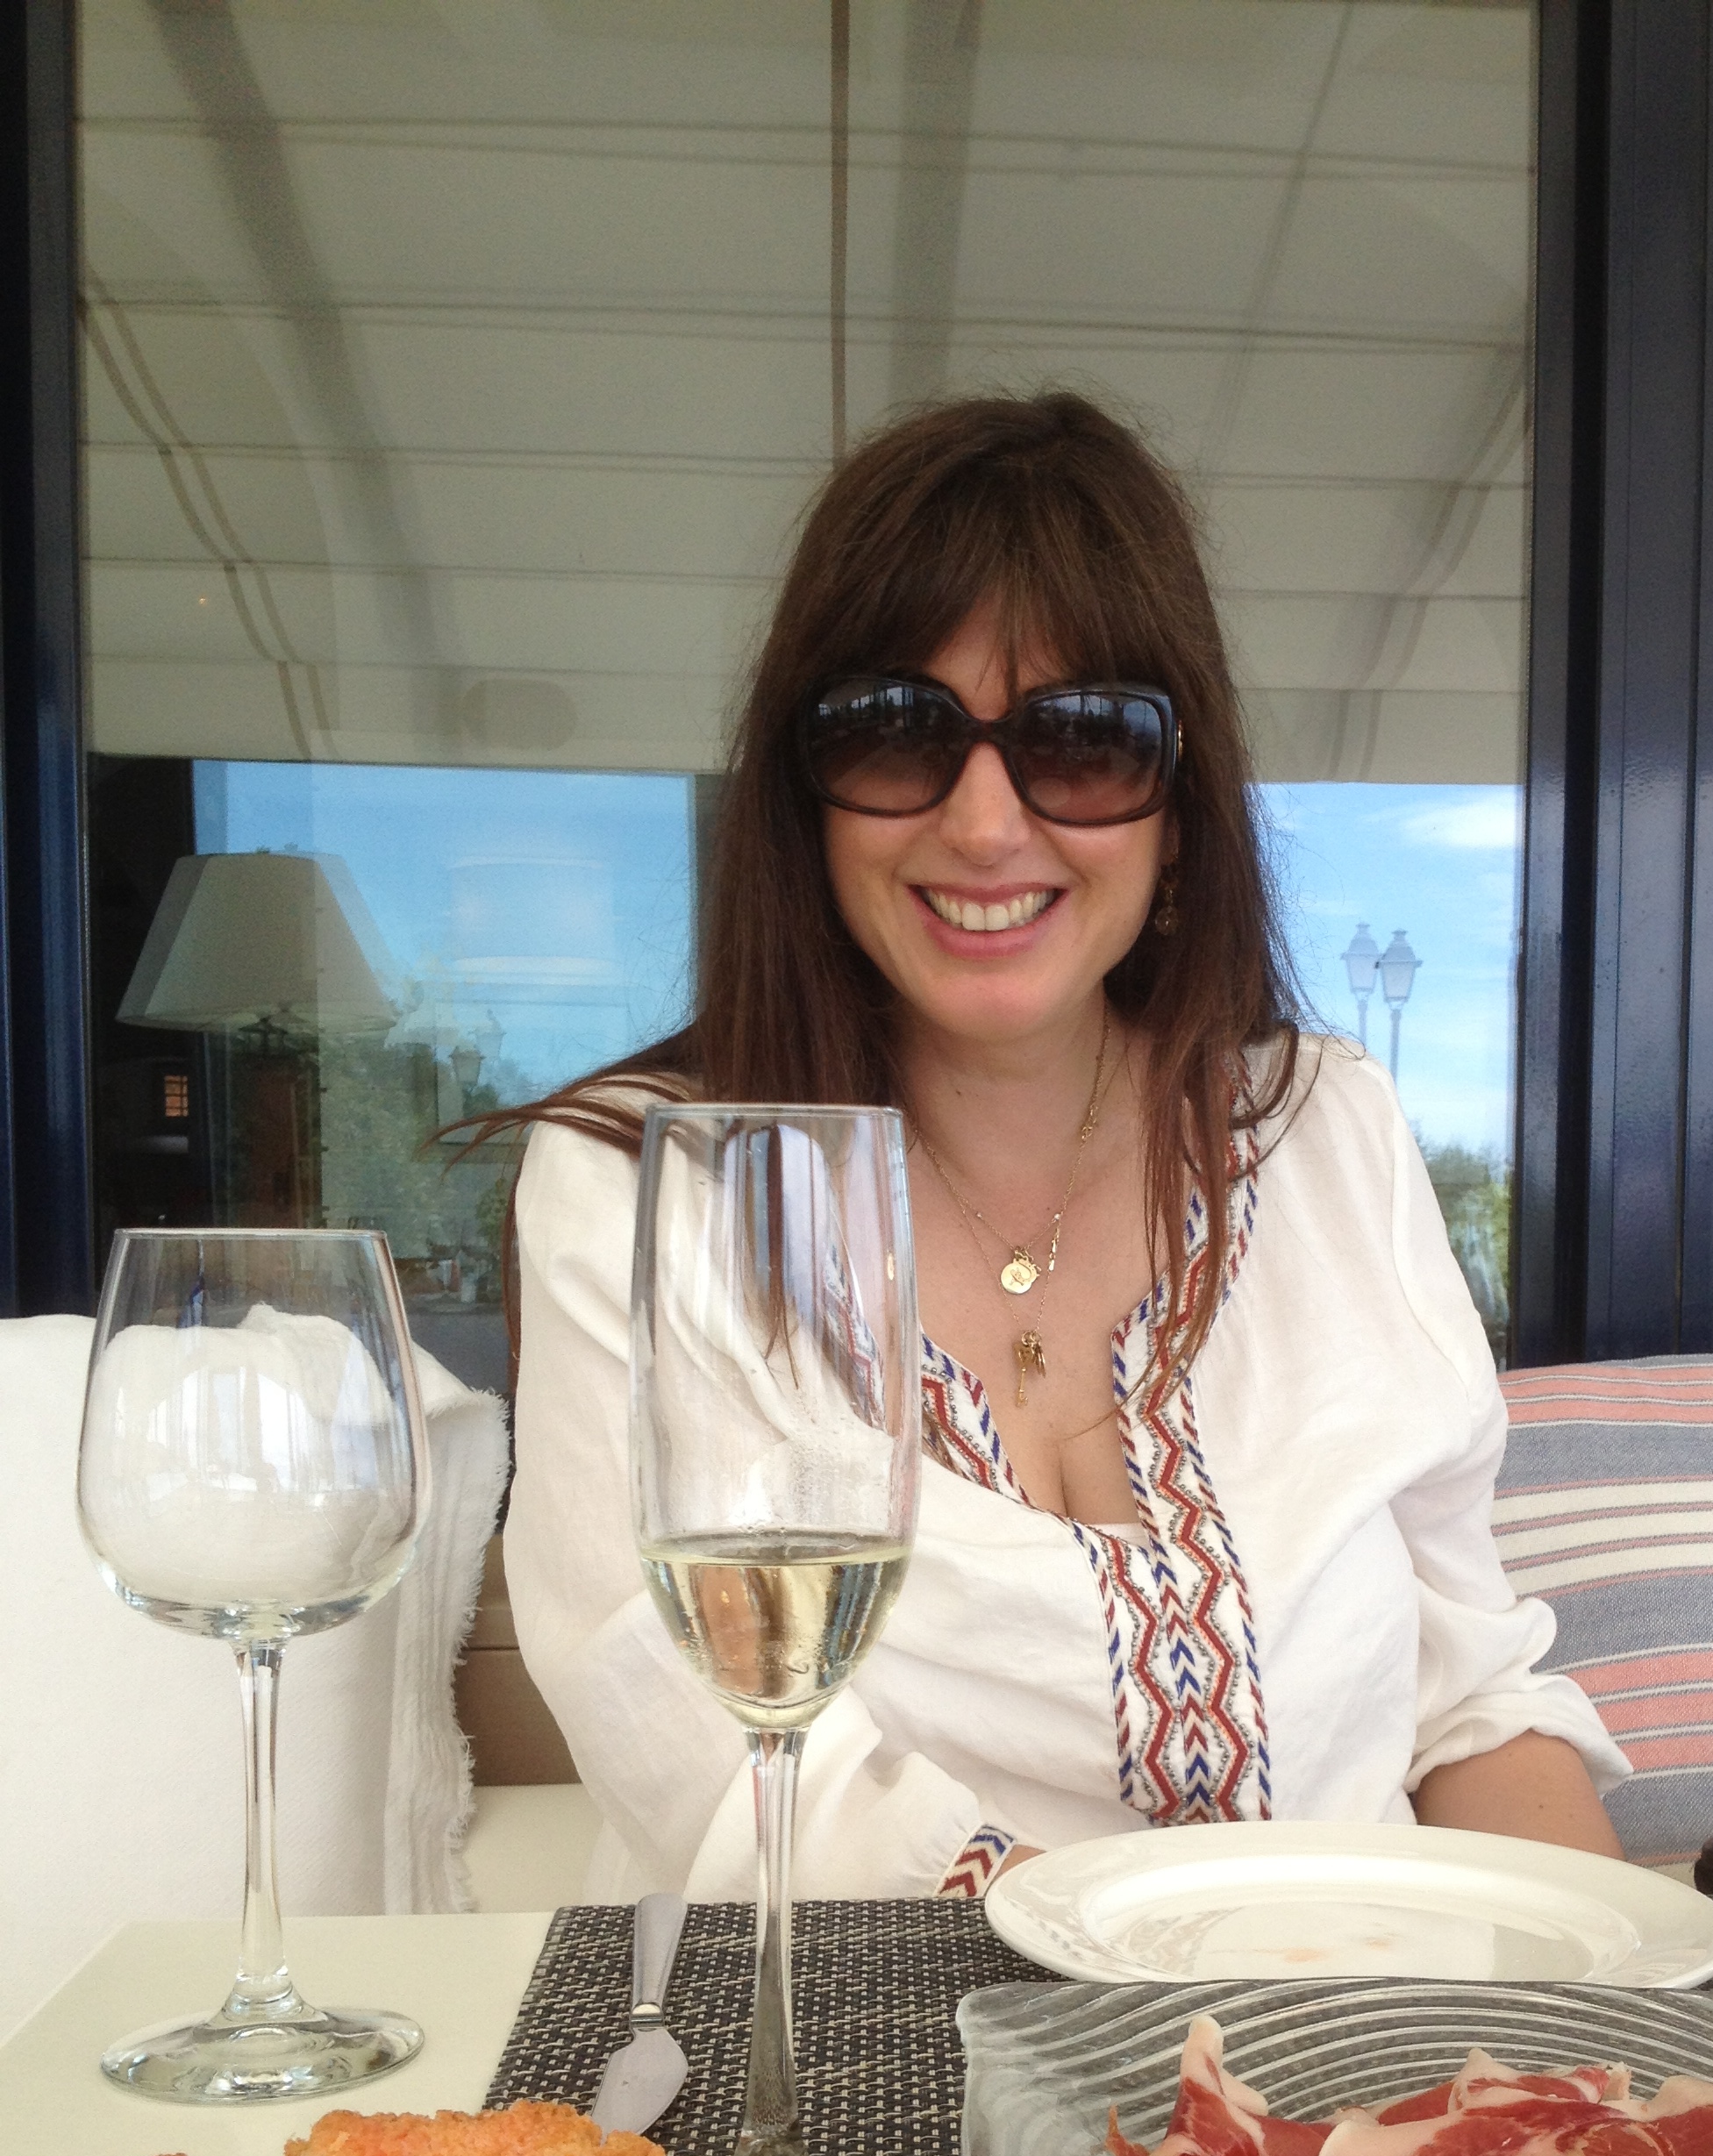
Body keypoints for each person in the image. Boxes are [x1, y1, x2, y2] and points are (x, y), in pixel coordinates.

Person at [500, 390, 1627, 1907]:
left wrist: (1612, 2008)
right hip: (868, 2030)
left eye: (1082, 742)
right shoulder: (644, 1190)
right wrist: (1168, 1990)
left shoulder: (1328, 1129)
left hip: (1356, 2022)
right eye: (895, 732)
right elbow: (708, 1764)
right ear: (800, 794)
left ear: (1179, 804)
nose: (984, 824)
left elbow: (1470, 1695)